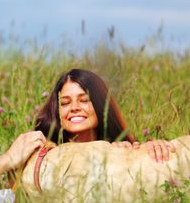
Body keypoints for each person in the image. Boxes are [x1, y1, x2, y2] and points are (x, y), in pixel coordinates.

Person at [34, 68, 175, 162]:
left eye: (84, 100)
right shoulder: (47, 155)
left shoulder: (120, 147)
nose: (74, 108)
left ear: (101, 105)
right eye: (65, 103)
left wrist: (153, 148)